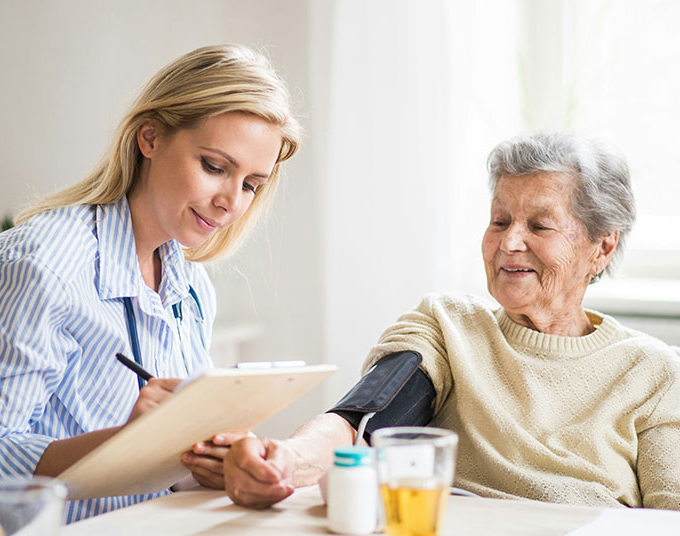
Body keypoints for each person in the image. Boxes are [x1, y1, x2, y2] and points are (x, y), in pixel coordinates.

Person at [223, 132, 680, 511]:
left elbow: (671, 514)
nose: (510, 242)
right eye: (500, 220)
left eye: (539, 226)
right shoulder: (447, 325)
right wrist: (288, 460)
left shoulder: (652, 371)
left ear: (601, 248)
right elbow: (361, 418)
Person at [0, 44, 301, 523]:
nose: (231, 203)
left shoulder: (190, 286)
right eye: (215, 167)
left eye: (251, 184)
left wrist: (224, 461)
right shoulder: (38, 265)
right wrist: (127, 445)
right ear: (149, 137)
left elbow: (177, 468)